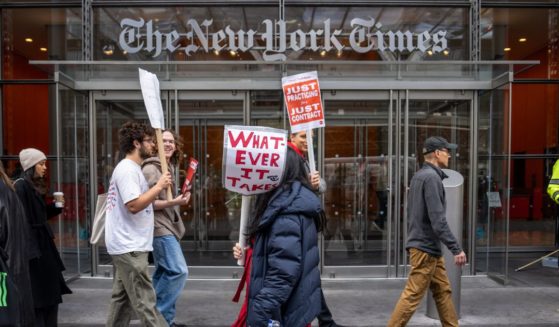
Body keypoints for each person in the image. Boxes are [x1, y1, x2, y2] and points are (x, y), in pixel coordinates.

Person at [387, 136, 467, 327]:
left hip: (427, 247)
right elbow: (438, 220)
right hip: (425, 248)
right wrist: (456, 249)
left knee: (443, 291)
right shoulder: (431, 178)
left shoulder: (419, 176)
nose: (449, 155)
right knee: (412, 295)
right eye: (447, 151)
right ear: (437, 153)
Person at [245, 146, 324, 327]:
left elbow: (283, 272)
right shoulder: (293, 203)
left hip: (283, 311)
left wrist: (258, 312)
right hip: (293, 307)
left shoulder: (286, 212)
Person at [104, 121, 172, 327]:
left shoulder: (131, 169)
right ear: (136, 143)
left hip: (128, 244)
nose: (153, 145)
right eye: (149, 141)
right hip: (130, 246)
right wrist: (159, 186)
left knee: (122, 301)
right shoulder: (127, 170)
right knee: (145, 301)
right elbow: (133, 205)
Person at [288, 130, 344, 327]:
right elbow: (291, 192)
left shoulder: (301, 158)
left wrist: (314, 184)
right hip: (297, 226)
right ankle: (324, 321)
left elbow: (319, 186)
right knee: (306, 276)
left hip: (302, 225)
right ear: (291, 136)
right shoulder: (290, 158)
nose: (307, 141)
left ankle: (325, 320)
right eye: (303, 137)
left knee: (309, 276)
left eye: (310, 137)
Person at [13, 148, 72, 327]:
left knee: (48, 294)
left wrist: (56, 207)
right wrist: (31, 252)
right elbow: (23, 220)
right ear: (31, 166)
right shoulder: (21, 186)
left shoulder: (31, 185)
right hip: (35, 251)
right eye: (41, 164)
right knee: (41, 295)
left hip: (42, 247)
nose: (45, 167)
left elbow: (38, 216)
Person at [142, 129, 190, 327]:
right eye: (164, 141)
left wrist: (181, 199)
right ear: (154, 145)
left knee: (164, 272)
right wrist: (173, 203)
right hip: (158, 228)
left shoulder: (165, 166)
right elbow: (145, 203)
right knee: (178, 271)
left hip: (166, 226)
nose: (169, 144)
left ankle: (166, 321)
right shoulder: (150, 169)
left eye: (171, 141)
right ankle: (156, 320)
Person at [0, 161, 35, 326]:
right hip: (10, 268)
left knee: (5, 309)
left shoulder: (4, 193)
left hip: (4, 270)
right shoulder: (8, 190)